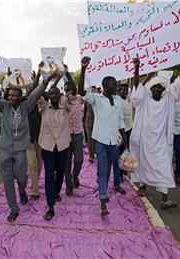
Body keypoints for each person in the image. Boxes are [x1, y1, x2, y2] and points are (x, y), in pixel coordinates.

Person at [0, 70, 55, 223]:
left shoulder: (26, 107)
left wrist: (45, 81)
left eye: (14, 95)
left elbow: (36, 94)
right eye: (9, 95)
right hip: (5, 149)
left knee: (21, 177)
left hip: (21, 149)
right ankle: (14, 209)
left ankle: (22, 190)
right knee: (8, 180)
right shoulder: (4, 106)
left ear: (20, 97)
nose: (10, 97)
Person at [130, 56, 180, 209]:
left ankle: (165, 199)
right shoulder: (145, 100)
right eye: (154, 87)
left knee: (164, 167)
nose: (156, 89)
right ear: (151, 89)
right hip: (145, 141)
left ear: (163, 89)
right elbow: (138, 86)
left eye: (159, 87)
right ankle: (143, 187)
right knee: (142, 165)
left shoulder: (168, 100)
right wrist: (137, 68)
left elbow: (178, 82)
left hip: (161, 142)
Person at [78, 56, 127, 217]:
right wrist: (83, 68)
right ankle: (103, 201)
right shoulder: (96, 99)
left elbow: (120, 123)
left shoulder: (118, 100)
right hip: (100, 141)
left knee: (114, 167)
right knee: (102, 170)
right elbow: (80, 91)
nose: (117, 86)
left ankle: (114, 185)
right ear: (105, 86)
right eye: (114, 84)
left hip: (114, 142)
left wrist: (125, 142)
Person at [38, 75, 74, 220]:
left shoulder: (65, 106)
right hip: (47, 147)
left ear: (60, 95)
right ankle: (50, 206)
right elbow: (36, 91)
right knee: (49, 175)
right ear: (48, 95)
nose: (53, 95)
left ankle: (56, 192)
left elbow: (74, 89)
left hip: (63, 145)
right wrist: (43, 77)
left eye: (56, 93)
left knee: (60, 173)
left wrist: (67, 74)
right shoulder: (43, 106)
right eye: (51, 93)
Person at [63, 64, 84, 196]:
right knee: (66, 163)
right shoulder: (60, 100)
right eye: (65, 89)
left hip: (77, 135)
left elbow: (76, 88)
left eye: (69, 88)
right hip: (65, 137)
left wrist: (67, 73)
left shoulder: (78, 99)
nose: (68, 90)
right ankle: (69, 185)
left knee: (79, 160)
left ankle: (75, 176)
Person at [26, 69, 44, 200]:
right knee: (32, 164)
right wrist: (37, 76)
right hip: (29, 138)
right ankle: (35, 189)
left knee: (39, 162)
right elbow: (33, 90)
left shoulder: (43, 104)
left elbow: (41, 90)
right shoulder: (25, 104)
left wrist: (38, 78)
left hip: (41, 137)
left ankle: (35, 182)